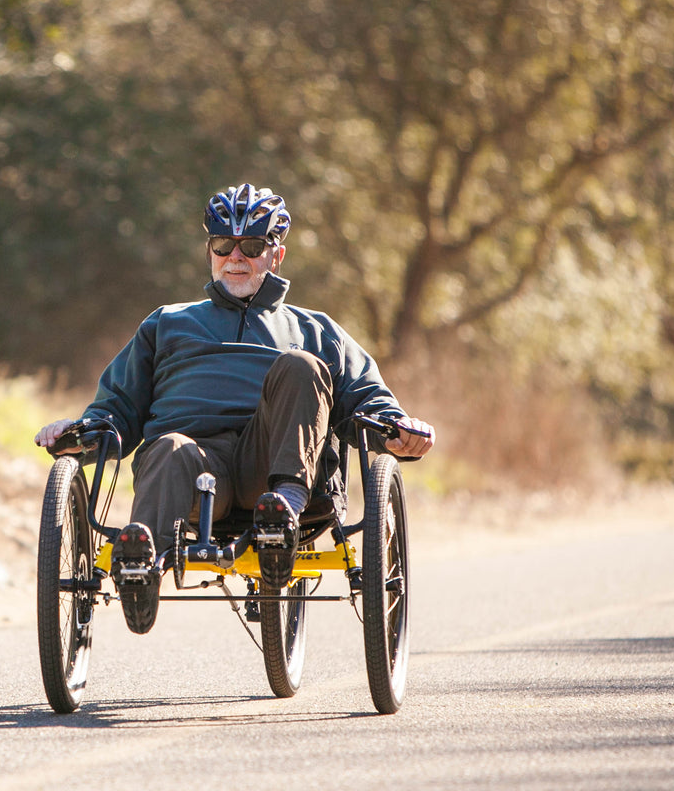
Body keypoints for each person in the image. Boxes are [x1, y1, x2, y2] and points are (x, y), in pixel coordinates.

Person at [35, 184, 434, 633]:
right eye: (223, 245)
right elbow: (118, 407)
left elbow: (367, 400)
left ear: (276, 255)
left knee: (300, 365)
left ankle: (283, 511)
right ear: (210, 251)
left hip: (270, 466)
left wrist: (397, 429)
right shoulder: (166, 323)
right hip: (195, 472)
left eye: (252, 246)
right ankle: (140, 568)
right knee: (167, 446)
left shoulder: (316, 329)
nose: (236, 257)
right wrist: (83, 432)